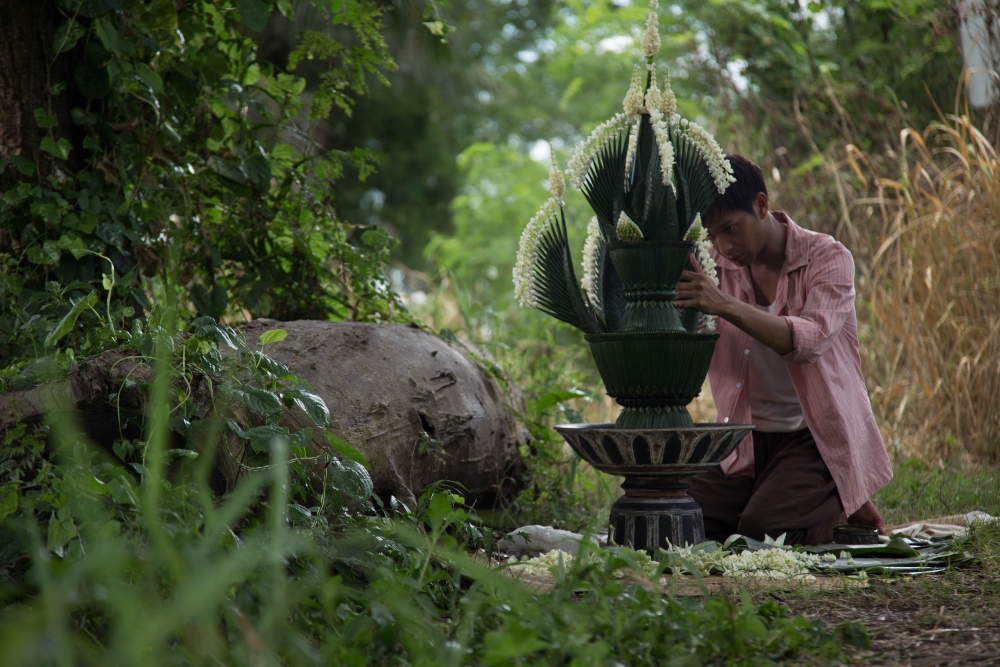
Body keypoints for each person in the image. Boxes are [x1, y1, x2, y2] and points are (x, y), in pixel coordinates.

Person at [674, 154, 891, 546]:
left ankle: (839, 505)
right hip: (743, 440)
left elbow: (809, 341)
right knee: (679, 517)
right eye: (711, 234)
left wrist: (723, 305)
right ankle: (810, 500)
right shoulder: (715, 267)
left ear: (761, 205)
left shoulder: (828, 258)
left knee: (762, 531)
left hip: (815, 438)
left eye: (730, 228)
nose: (723, 245)